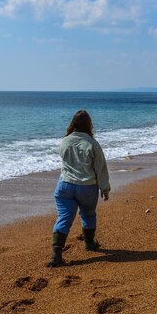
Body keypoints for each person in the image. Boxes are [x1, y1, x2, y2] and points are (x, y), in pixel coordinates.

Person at [48, 110, 111, 267]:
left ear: (72, 123)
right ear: (89, 124)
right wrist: (105, 188)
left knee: (64, 218)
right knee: (88, 215)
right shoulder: (92, 143)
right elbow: (100, 168)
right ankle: (89, 243)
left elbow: (64, 160)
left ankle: (56, 254)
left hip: (65, 185)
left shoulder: (65, 141)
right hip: (86, 187)